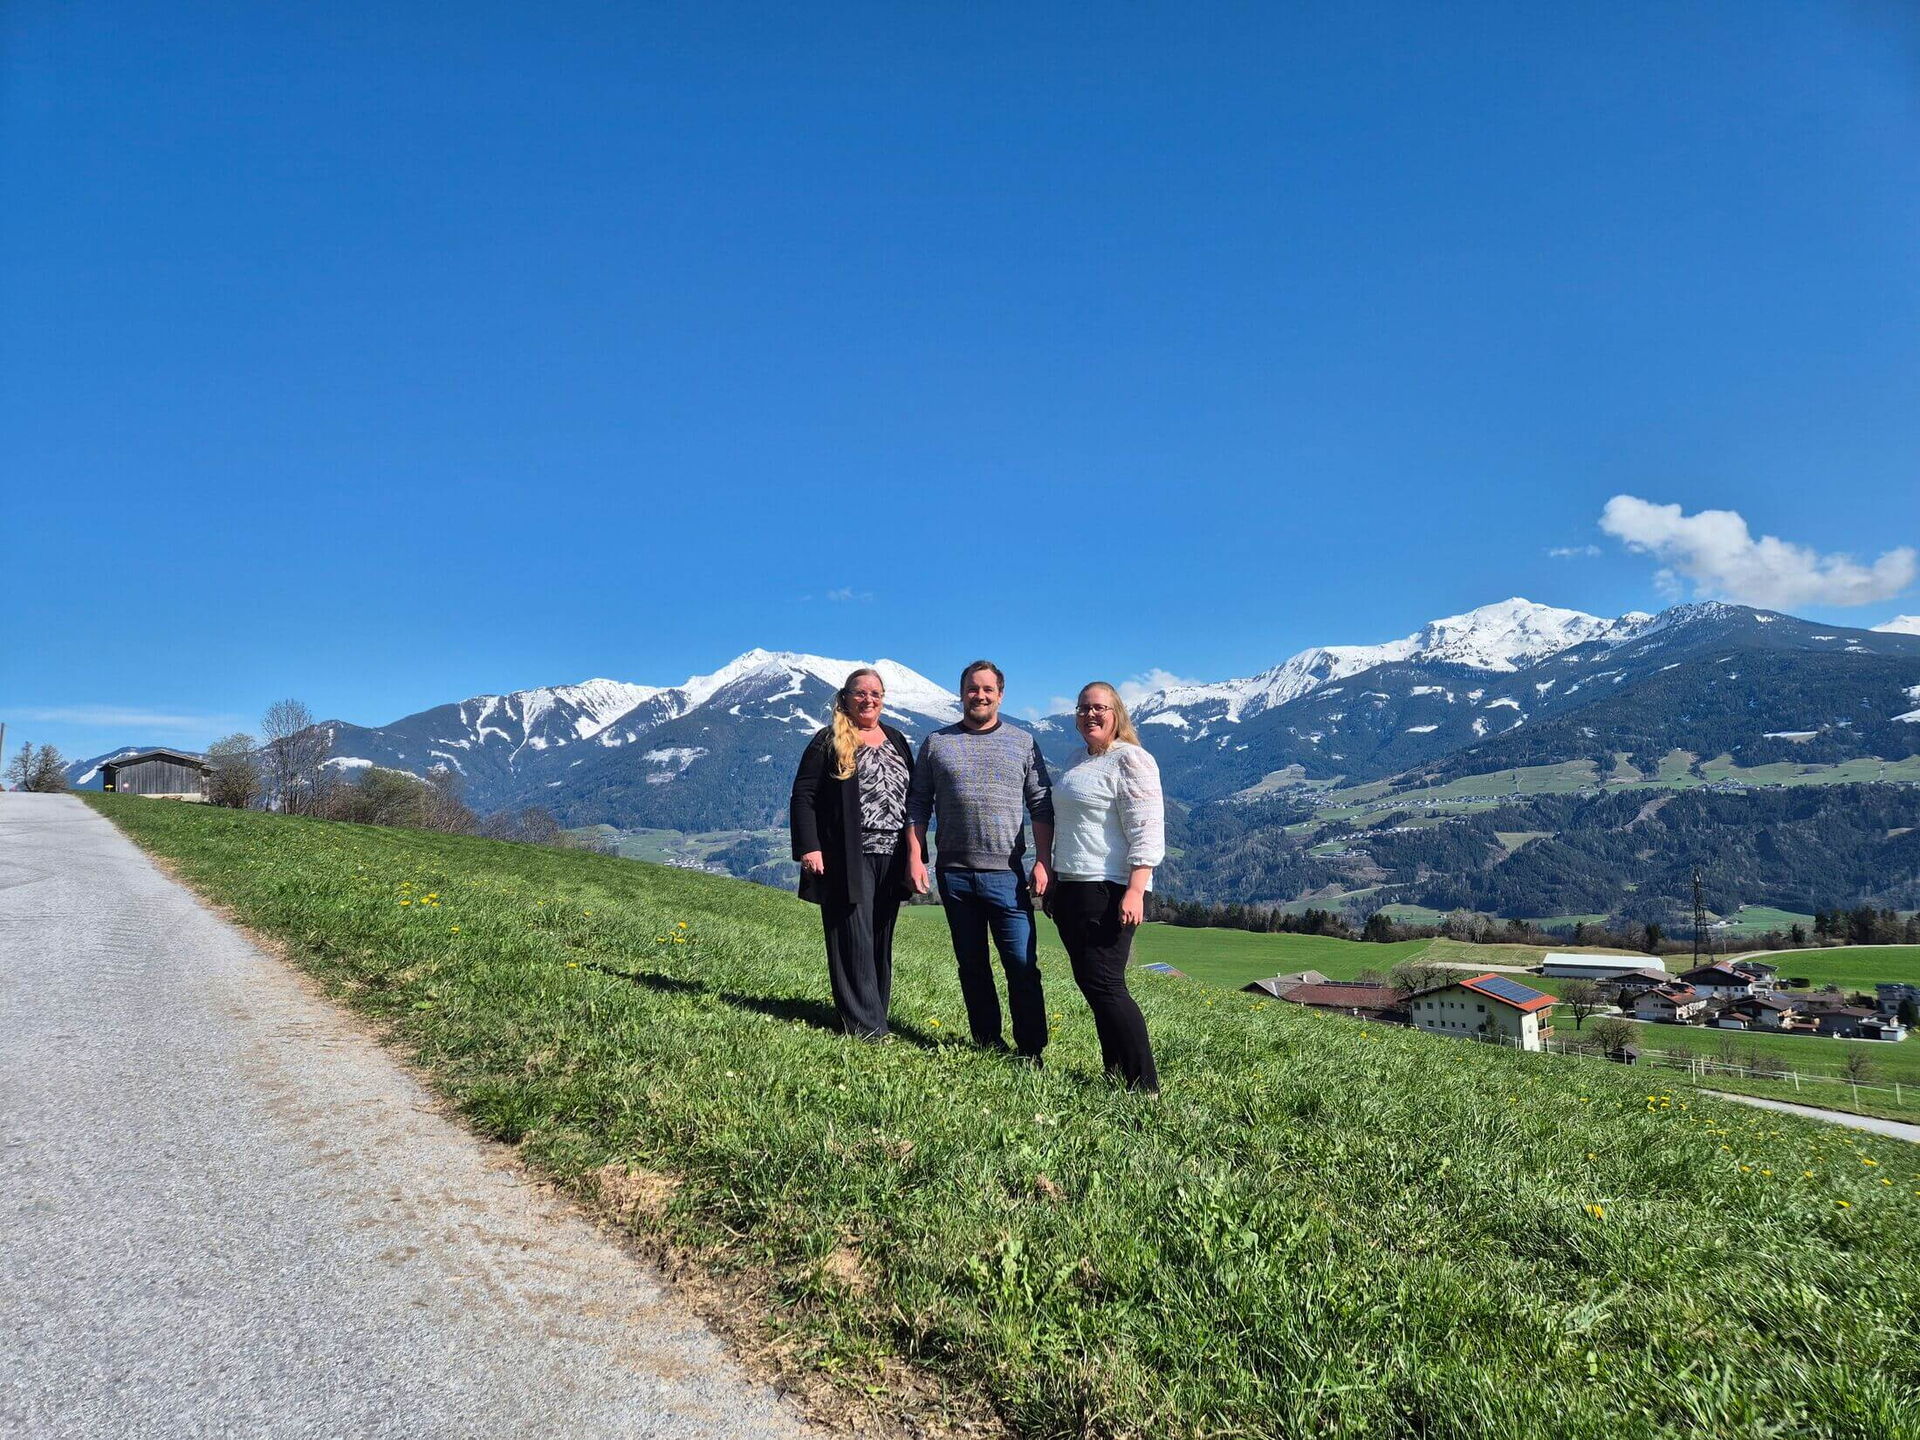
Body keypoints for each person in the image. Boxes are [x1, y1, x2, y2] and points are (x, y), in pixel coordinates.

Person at [905, 660, 1053, 1061]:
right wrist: (916, 858)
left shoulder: (1022, 742)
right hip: (953, 875)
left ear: (1000, 695)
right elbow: (918, 804)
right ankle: (988, 1043)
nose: (980, 695)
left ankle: (1031, 1050)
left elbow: (1041, 804)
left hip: (1008, 876)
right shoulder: (937, 743)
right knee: (972, 966)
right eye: (973, 688)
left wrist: (1043, 860)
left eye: (988, 689)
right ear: (961, 693)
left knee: (1021, 965)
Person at [1047, 681, 1165, 1091]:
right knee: (1092, 984)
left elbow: (1147, 830)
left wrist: (1135, 890)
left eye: (1099, 708)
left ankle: (1144, 1086)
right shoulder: (1076, 759)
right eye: (1083, 708)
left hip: (1110, 888)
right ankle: (1115, 1074)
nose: (1090, 715)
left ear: (1117, 714)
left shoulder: (1130, 759)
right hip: (1073, 885)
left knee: (1107, 984)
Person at [790, 667, 916, 1039]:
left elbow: (913, 798)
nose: (868, 699)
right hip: (848, 854)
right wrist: (809, 847)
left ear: (883, 699)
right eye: (860, 693)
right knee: (852, 938)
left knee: (879, 937)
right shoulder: (827, 740)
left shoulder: (896, 738)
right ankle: (865, 1028)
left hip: (892, 854)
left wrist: (915, 852)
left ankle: (875, 1014)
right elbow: (803, 795)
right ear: (845, 697)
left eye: (875, 693)